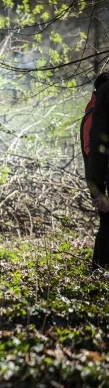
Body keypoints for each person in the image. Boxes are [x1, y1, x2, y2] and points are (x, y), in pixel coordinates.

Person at [86, 72, 109, 270]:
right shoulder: (93, 113)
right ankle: (98, 270)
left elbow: (95, 150)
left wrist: (96, 188)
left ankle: (99, 270)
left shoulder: (99, 104)